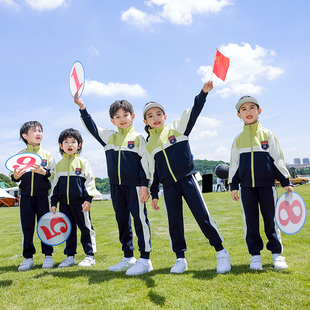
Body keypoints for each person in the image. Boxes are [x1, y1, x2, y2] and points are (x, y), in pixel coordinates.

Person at [143, 81, 231, 274]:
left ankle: (221, 252)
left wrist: (204, 93)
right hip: (169, 186)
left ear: (164, 116)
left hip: (188, 180)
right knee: (174, 222)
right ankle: (180, 259)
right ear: (146, 122)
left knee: (202, 216)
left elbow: (194, 110)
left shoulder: (178, 128)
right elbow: (153, 172)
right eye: (150, 116)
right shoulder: (149, 144)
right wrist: (155, 193)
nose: (155, 118)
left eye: (158, 114)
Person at [74, 93, 152, 276]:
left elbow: (146, 165)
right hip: (116, 187)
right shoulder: (109, 137)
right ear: (112, 120)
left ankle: (145, 259)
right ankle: (128, 256)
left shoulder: (140, 138)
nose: (122, 119)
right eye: (117, 117)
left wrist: (144, 185)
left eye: (125, 115)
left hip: (135, 186)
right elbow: (92, 128)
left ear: (132, 116)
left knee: (140, 221)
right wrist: (82, 108)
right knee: (122, 221)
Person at [228, 96, 292, 270]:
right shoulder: (237, 139)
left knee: (271, 220)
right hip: (247, 188)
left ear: (259, 111)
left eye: (251, 108)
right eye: (244, 109)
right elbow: (234, 165)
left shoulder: (268, 135)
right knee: (250, 222)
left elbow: (277, 159)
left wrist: (285, 181)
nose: (248, 112)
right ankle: (255, 256)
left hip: (267, 186)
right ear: (238, 115)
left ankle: (277, 255)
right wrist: (233, 186)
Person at [11, 121, 55, 271]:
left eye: (40, 131)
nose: (38, 133)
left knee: (46, 226)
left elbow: (54, 175)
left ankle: (48, 256)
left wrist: (45, 172)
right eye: (34, 131)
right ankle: (28, 258)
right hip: (25, 198)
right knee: (27, 228)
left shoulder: (47, 155)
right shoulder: (20, 155)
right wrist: (16, 176)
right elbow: (14, 175)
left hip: (43, 197)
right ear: (25, 136)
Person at [50, 128, 97, 268]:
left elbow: (90, 182)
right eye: (66, 142)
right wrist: (54, 203)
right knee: (68, 230)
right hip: (64, 205)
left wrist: (88, 199)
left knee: (85, 229)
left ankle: (90, 255)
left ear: (79, 145)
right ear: (60, 145)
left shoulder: (83, 163)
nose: (70, 145)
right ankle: (70, 256)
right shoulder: (58, 166)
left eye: (73, 142)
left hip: (81, 204)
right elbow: (55, 186)